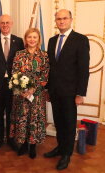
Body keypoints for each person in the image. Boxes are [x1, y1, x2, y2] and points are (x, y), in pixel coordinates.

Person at [44, 9, 90, 170]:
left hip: (71, 93)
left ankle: (66, 154)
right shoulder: (51, 40)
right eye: (58, 19)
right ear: (55, 21)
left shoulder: (80, 40)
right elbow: (50, 68)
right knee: (58, 122)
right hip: (55, 91)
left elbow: (84, 69)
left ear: (71, 20)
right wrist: (48, 90)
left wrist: (80, 93)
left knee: (69, 124)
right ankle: (60, 147)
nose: (61, 21)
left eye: (64, 18)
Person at [0, 14, 24, 151]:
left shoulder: (18, 41)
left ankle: (11, 139)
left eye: (7, 22)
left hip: (14, 85)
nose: (5, 25)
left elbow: (23, 64)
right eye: (2, 23)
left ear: (11, 23)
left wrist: (20, 85)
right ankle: (0, 138)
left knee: (12, 113)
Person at [9, 28, 49, 159]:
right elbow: (15, 72)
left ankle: (32, 146)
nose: (32, 39)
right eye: (29, 37)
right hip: (21, 95)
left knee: (34, 120)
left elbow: (45, 75)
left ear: (38, 39)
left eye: (35, 37)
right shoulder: (19, 54)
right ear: (26, 39)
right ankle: (24, 144)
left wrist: (33, 88)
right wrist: (24, 89)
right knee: (22, 119)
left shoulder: (44, 55)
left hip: (37, 95)